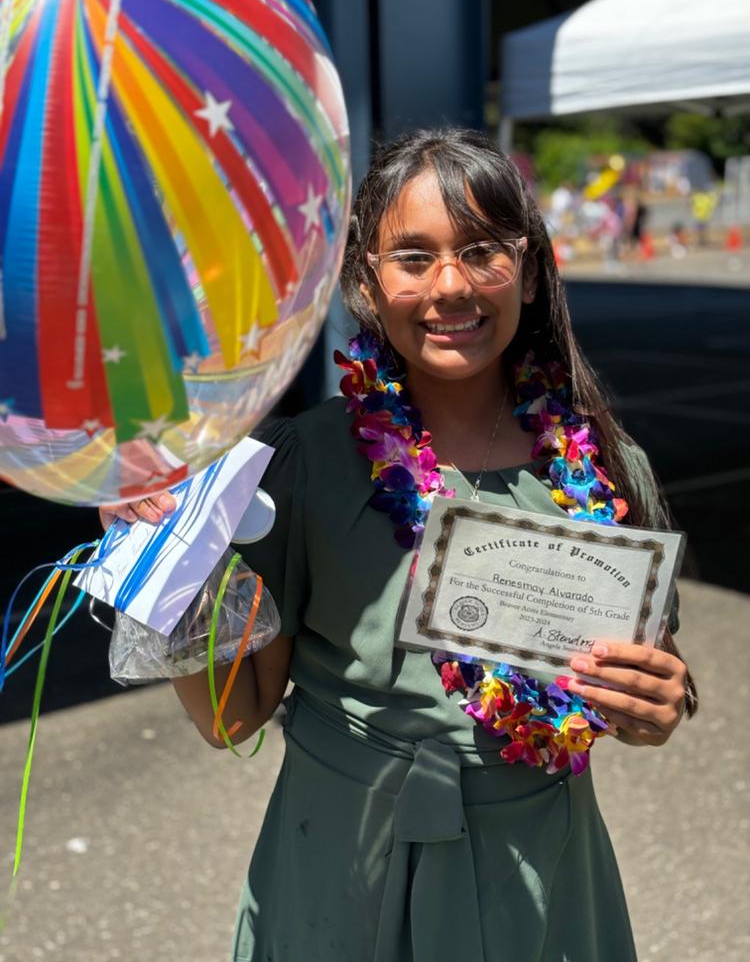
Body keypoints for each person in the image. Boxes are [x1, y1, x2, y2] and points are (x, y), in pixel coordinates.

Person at [102, 128, 696, 961]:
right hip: (340, 868)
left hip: (539, 876)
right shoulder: (299, 465)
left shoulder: (605, 469)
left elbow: (644, 679)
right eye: (413, 258)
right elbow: (233, 716)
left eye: (484, 251)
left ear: (528, 269)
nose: (451, 286)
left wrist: (659, 709)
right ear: (364, 282)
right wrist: (172, 560)